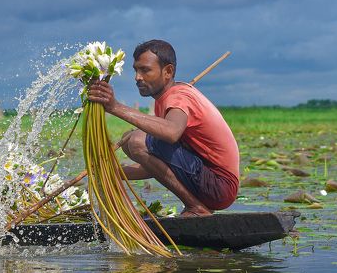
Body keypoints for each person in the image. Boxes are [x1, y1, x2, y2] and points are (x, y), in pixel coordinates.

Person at [86, 39, 239, 216]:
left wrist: (115, 107)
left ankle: (196, 208)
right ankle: (199, 206)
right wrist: (111, 172)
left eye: (145, 70)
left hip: (219, 186)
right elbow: (158, 166)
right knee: (130, 139)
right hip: (209, 183)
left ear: (168, 71)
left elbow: (172, 132)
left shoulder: (179, 97)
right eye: (136, 70)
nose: (137, 77)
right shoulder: (165, 101)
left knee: (136, 140)